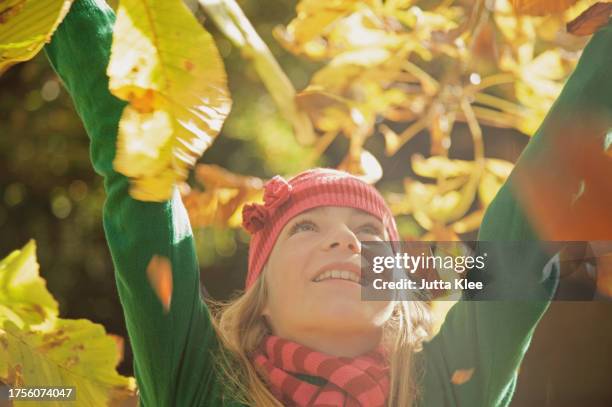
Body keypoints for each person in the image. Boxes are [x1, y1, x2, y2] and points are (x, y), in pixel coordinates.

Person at [44, 1, 612, 405]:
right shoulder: (196, 384)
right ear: (258, 296)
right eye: (305, 229)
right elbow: (142, 188)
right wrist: (63, 13)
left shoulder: (446, 384)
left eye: (370, 237)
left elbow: (522, 235)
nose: (346, 240)